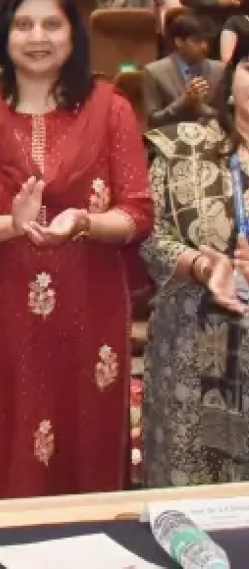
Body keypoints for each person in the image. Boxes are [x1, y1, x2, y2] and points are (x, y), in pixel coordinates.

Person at [0, 0, 153, 501]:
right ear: (4, 36)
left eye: (52, 24)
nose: (38, 37)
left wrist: (82, 221)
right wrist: (11, 224)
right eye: (24, 24)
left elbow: (138, 212)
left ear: (74, 35)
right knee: (2, 432)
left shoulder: (112, 109)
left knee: (84, 428)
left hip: (88, 307)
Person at [142, 37, 249, 486]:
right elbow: (149, 235)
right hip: (188, 351)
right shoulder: (180, 147)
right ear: (231, 75)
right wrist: (204, 268)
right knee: (190, 510)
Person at [142, 13, 224, 128]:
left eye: (206, 41)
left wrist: (201, 108)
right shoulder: (153, 72)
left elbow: (227, 117)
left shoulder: (219, 70)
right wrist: (182, 103)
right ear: (179, 42)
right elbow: (153, 120)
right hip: (170, 140)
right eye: (197, 41)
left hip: (212, 139)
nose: (204, 46)